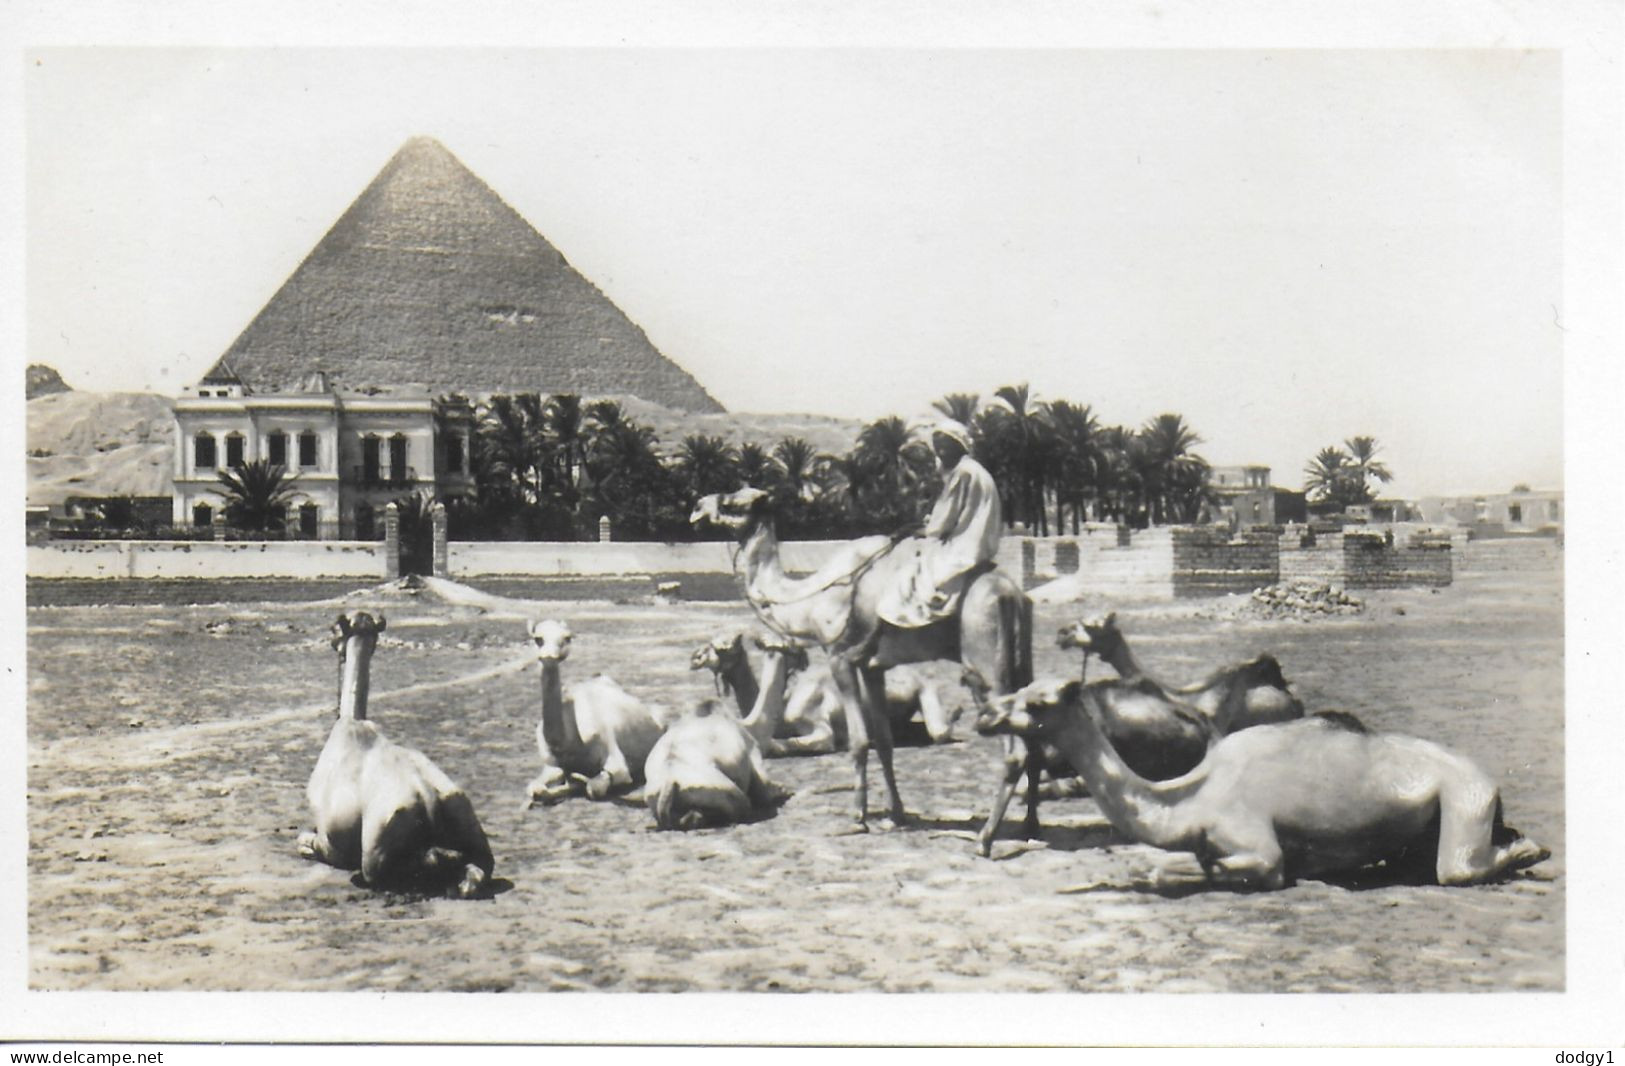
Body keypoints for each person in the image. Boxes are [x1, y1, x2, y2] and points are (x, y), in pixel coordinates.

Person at [876, 419, 1003, 629]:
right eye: (938, 447)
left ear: (958, 445)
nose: (940, 451)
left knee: (914, 567)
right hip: (978, 541)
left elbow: (945, 517)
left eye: (945, 446)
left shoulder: (962, 472)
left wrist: (923, 530)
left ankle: (907, 622)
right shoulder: (974, 469)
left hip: (965, 545)